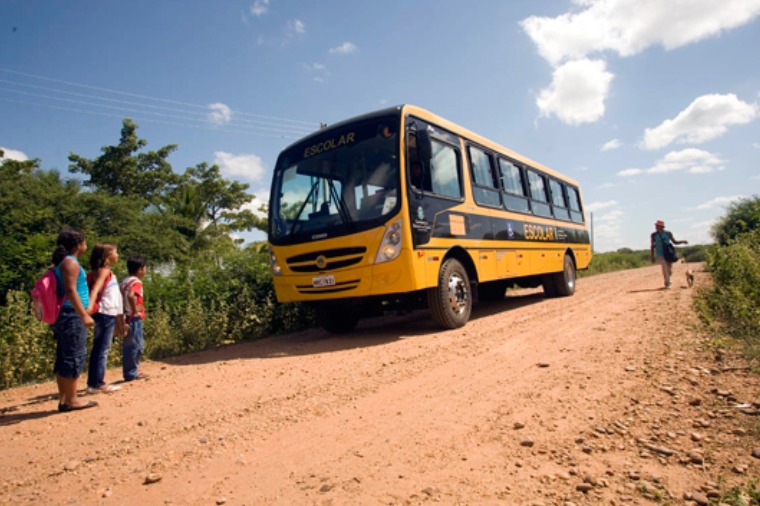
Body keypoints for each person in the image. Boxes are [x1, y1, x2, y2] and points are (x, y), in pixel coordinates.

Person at [51, 228, 98, 412]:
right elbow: (71, 291)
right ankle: (72, 399)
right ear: (79, 244)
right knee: (73, 356)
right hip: (71, 315)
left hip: (66, 314)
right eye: (84, 241)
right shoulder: (71, 264)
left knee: (65, 355)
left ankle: (65, 398)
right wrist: (84, 314)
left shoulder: (63, 262)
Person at [85, 242, 124, 394]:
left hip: (104, 312)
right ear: (107, 256)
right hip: (105, 312)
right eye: (115, 252)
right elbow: (96, 289)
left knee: (99, 348)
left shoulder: (100, 271)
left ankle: (93, 383)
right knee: (102, 349)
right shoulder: (104, 271)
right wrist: (90, 306)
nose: (117, 255)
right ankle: (98, 383)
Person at [120, 256, 148, 382]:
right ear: (140, 269)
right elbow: (132, 295)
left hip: (125, 315)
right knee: (136, 344)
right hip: (133, 316)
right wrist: (135, 309)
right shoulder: (136, 282)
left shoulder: (124, 281)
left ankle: (129, 371)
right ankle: (132, 372)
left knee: (128, 345)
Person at [650, 219, 688, 288]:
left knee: (669, 269)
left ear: (662, 226)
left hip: (668, 252)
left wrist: (682, 241)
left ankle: (668, 278)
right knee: (664, 267)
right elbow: (652, 246)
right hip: (660, 253)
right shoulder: (653, 235)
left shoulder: (668, 233)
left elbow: (674, 242)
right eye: (656, 226)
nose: (656, 227)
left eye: (658, 226)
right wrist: (652, 256)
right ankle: (668, 282)